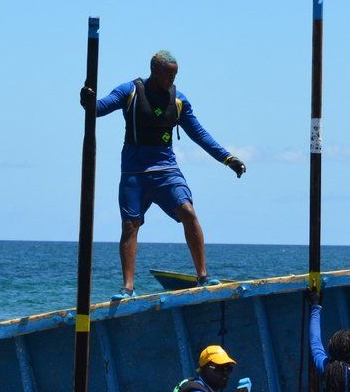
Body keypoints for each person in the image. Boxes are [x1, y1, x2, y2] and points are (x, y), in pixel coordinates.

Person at [81, 50, 246, 298]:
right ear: (154, 70)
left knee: (189, 212)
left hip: (167, 170)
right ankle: (127, 287)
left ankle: (203, 276)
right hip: (134, 172)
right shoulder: (130, 91)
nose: (172, 79)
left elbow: (199, 134)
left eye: (175, 74)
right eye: (167, 74)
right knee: (130, 225)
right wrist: (87, 100)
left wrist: (227, 158)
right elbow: (98, 109)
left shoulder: (178, 100)